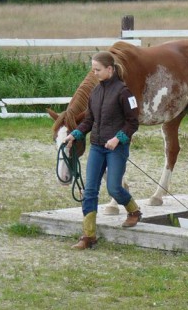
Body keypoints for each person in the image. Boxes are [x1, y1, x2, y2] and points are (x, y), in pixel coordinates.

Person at [64, 51, 141, 250]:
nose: (95, 73)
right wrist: (75, 134)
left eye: (97, 69)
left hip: (116, 148)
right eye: (93, 69)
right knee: (90, 190)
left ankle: (134, 211)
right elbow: (89, 120)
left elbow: (133, 122)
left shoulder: (125, 92)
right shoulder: (95, 93)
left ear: (110, 69)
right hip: (97, 147)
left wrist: (118, 139)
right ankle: (88, 236)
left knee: (114, 188)